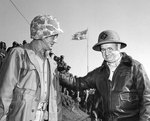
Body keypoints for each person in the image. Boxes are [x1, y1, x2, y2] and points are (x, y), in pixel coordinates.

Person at [60, 30, 150, 121]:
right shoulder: (98, 73)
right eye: (103, 50)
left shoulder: (135, 68)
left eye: (110, 49)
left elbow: (147, 100)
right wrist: (57, 74)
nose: (106, 53)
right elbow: (77, 83)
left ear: (118, 47)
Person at [0, 15, 63, 121]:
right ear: (42, 33)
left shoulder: (52, 64)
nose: (55, 40)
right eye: (53, 36)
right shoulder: (19, 54)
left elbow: (56, 101)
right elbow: (4, 94)